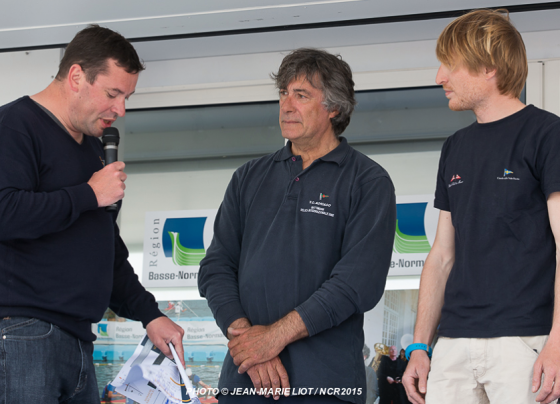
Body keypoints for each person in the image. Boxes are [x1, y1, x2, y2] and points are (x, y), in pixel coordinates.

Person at [198, 48, 396, 404]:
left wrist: (273, 338)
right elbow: (216, 267)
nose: (286, 106)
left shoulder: (367, 181)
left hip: (324, 386)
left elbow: (356, 284)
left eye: (301, 95)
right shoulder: (248, 177)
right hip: (245, 381)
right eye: (283, 93)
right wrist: (250, 343)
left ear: (334, 107)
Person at [0, 25, 184, 403]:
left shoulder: (91, 150)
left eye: (126, 97)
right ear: (76, 77)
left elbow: (104, 249)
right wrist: (89, 194)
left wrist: (150, 314)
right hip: (24, 333)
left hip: (80, 339)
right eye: (113, 94)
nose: (120, 110)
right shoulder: (14, 125)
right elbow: (5, 212)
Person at [402, 9, 560, 404]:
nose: (439, 77)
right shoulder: (454, 147)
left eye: (450, 65)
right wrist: (419, 346)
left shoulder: (548, 134)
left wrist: (558, 342)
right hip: (452, 344)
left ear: (489, 67)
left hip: (524, 341)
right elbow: (441, 256)